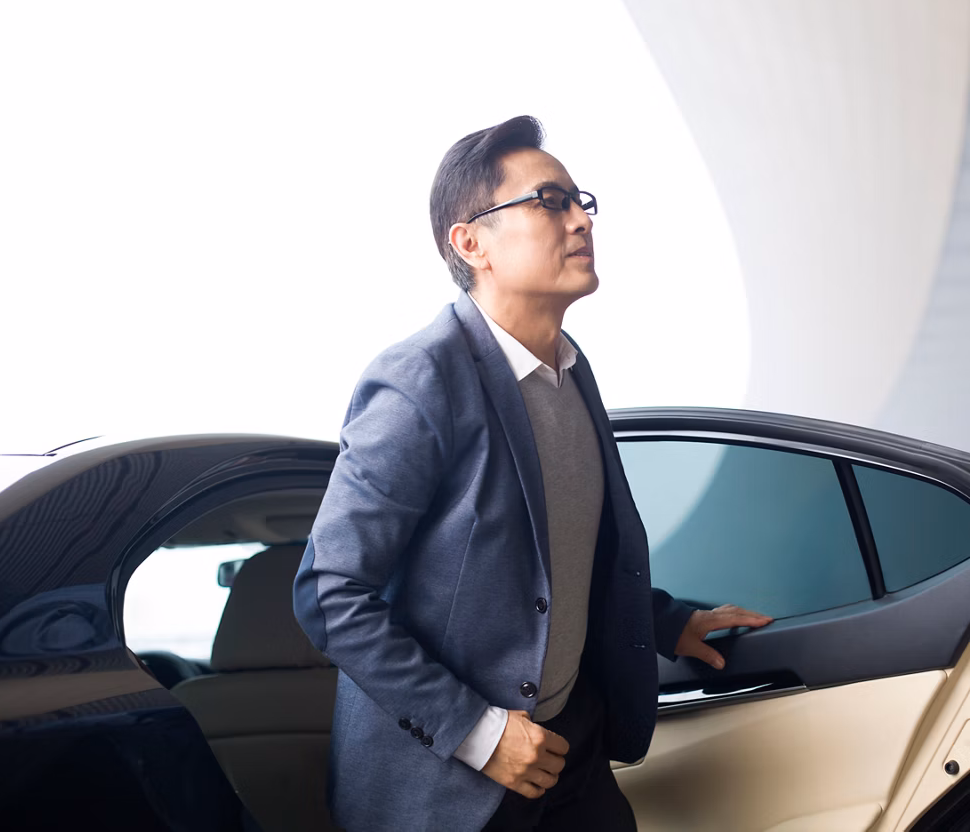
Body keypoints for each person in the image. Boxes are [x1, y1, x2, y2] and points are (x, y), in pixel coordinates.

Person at [292, 116, 773, 832]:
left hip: (570, 752)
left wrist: (665, 621)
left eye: (582, 201)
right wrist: (478, 735)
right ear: (470, 242)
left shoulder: (571, 370)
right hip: (449, 790)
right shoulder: (420, 377)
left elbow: (551, 562)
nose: (581, 219)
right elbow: (330, 593)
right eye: (550, 200)